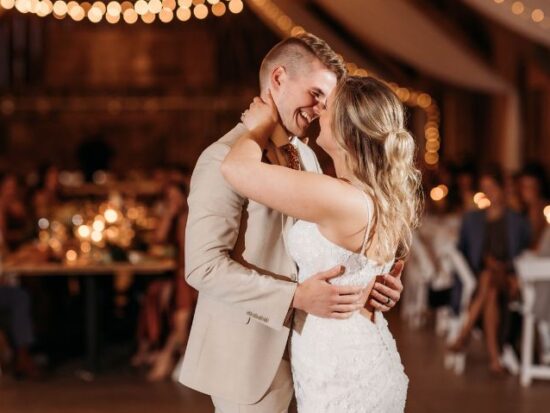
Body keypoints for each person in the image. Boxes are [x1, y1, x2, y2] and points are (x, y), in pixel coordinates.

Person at [179, 33, 406, 413]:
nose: (320, 109)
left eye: (326, 101)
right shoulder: (220, 159)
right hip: (252, 361)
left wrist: (369, 280)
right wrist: (295, 298)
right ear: (279, 79)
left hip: (320, 355)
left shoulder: (308, 154)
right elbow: (203, 267)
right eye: (315, 93)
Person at [222, 74, 420, 412]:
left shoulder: (340, 198)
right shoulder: (369, 193)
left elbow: (235, 169)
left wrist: (256, 128)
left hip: (343, 373)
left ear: (345, 129)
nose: (317, 112)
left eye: (327, 106)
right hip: (356, 356)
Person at [448, 167, 531, 373]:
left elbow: (525, 255)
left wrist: (506, 268)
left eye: (493, 188)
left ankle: (464, 333)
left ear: (503, 189)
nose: (490, 193)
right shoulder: (472, 219)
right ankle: (495, 360)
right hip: (481, 281)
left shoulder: (517, 221)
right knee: (489, 284)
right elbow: (463, 254)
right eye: (485, 189)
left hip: (509, 278)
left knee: (491, 276)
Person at [133, 181, 196, 381]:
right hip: (181, 276)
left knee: (179, 315)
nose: (173, 202)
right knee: (156, 294)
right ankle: (163, 354)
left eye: (176, 197)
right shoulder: (176, 219)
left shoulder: (193, 216)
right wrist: (169, 214)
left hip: (192, 276)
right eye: (169, 198)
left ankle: (167, 357)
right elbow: (158, 239)